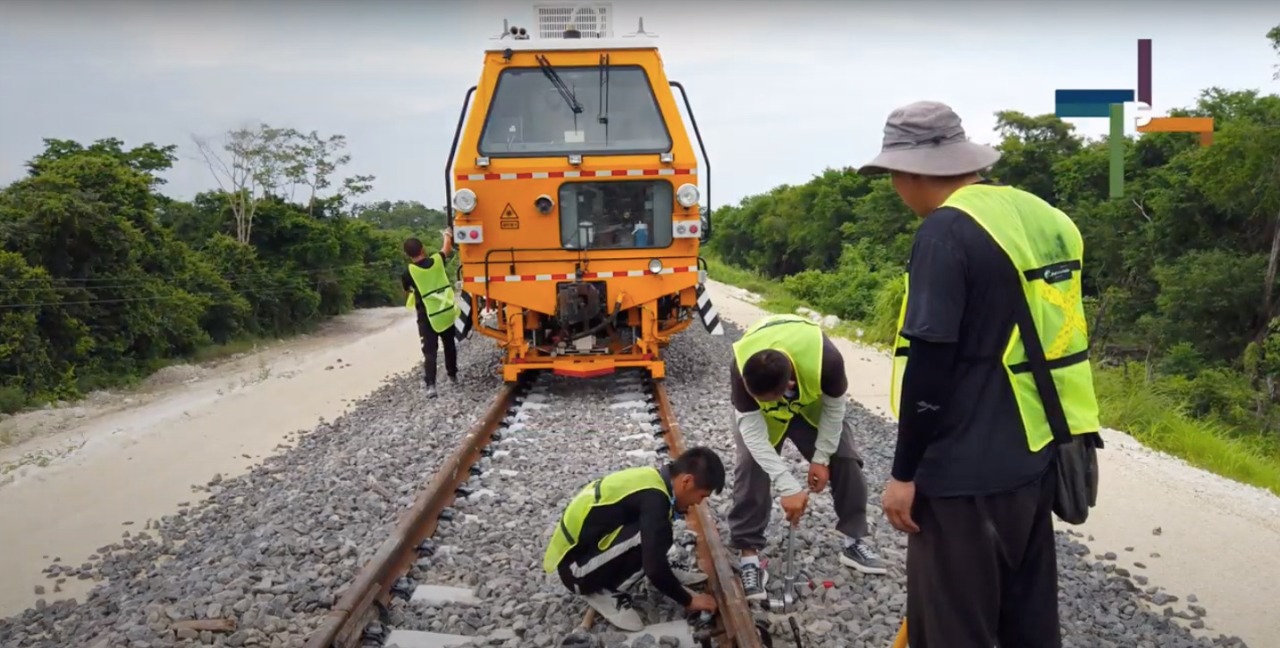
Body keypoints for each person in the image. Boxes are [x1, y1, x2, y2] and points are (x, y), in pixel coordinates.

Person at [858, 100, 1103, 648]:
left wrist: (903, 474)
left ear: (913, 171)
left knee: (953, 630)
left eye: (894, 176)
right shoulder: (1041, 215)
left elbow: (929, 364)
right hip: (1037, 454)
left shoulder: (945, 233)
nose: (897, 190)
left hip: (963, 475)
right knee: (1028, 621)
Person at [728, 313, 887, 601]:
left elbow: (835, 409)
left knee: (846, 458)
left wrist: (822, 457)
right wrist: (788, 485)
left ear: (788, 386)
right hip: (766, 421)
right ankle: (749, 554)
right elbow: (750, 429)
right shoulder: (741, 368)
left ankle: (854, 540)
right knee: (751, 466)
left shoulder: (827, 359)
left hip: (811, 409)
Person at [543, 447, 725, 631]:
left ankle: (654, 574)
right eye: (701, 496)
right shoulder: (655, 499)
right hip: (577, 573)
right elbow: (653, 568)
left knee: (658, 530)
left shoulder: (653, 479)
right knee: (657, 534)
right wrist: (689, 601)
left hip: (584, 554)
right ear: (686, 481)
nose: (698, 503)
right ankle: (601, 593)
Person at [401, 232, 460, 397]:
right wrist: (447, 235)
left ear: (407, 254)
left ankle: (431, 386)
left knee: (429, 351)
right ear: (423, 249)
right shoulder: (437, 260)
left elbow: (407, 290)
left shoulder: (408, 272)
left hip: (427, 316)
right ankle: (452, 375)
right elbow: (446, 249)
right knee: (449, 345)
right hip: (445, 311)